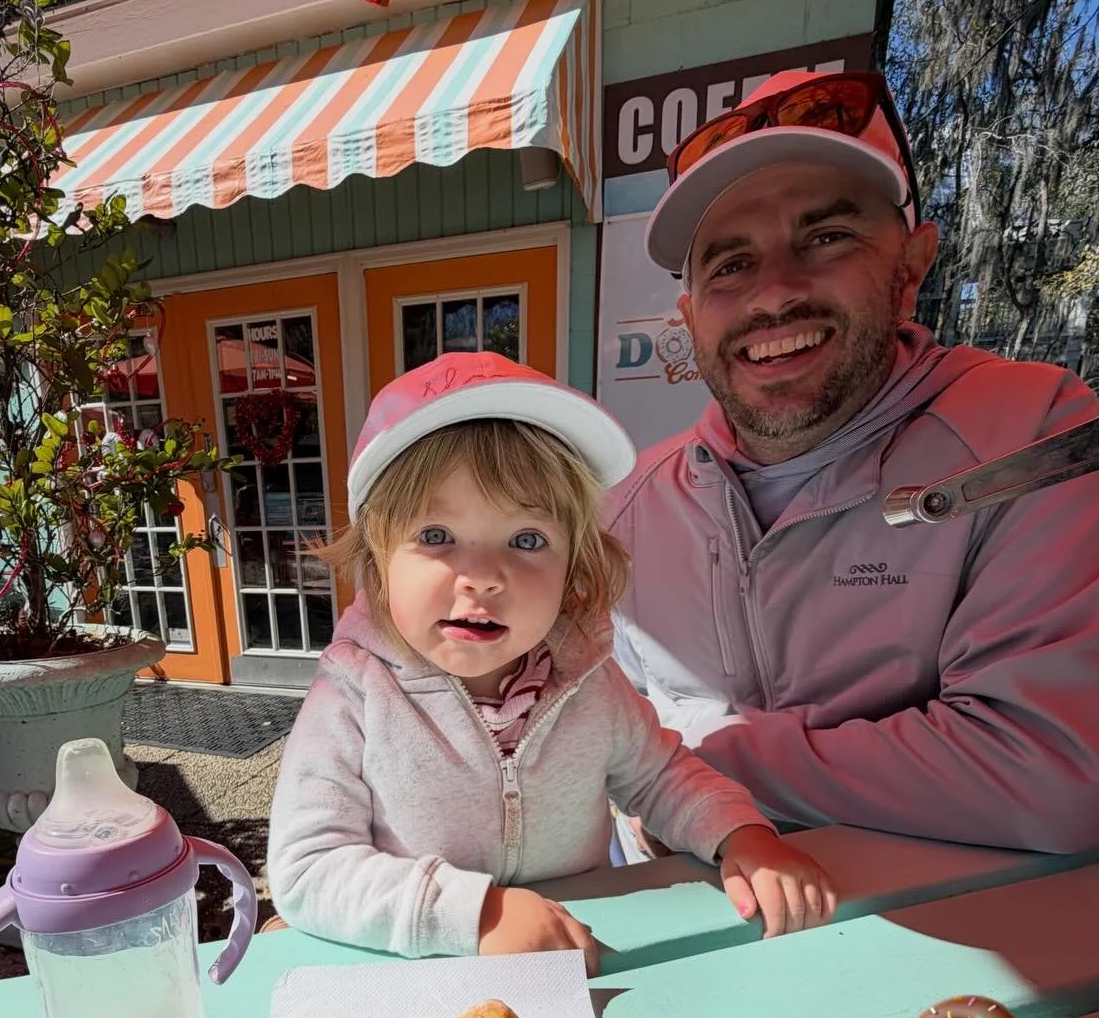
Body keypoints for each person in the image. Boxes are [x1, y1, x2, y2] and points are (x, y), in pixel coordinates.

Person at [607, 68, 1099, 855]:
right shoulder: (625, 507)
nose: (773, 295)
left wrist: (685, 752)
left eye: (826, 238)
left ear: (912, 264)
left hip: (954, 949)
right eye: (729, 264)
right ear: (689, 315)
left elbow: (1043, 775)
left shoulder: (1031, 437)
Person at [266, 352, 837, 966]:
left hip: (585, 948)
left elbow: (660, 776)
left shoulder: (587, 678)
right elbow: (308, 870)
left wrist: (740, 835)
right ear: (376, 562)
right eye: (436, 536)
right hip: (424, 969)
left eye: (527, 540)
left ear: (574, 569)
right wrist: (477, 913)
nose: (483, 577)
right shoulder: (353, 694)